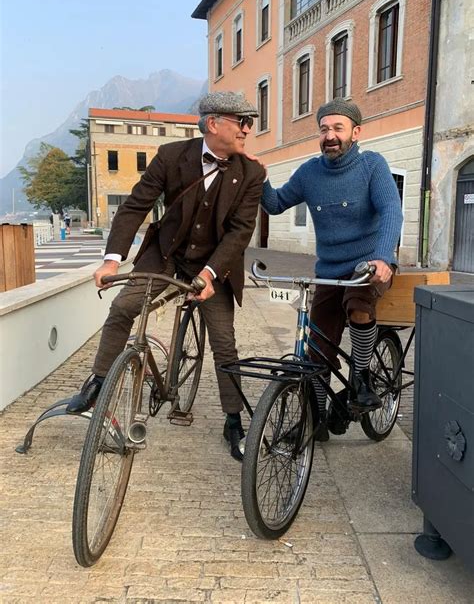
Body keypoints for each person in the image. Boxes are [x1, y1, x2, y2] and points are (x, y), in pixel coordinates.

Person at [66, 91, 266, 461]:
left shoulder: (251, 172)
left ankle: (233, 420)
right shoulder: (172, 157)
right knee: (123, 306)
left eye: (249, 123)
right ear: (213, 123)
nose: (248, 130)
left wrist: (208, 275)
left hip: (213, 264)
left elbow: (240, 232)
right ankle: (97, 383)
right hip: (167, 255)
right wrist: (112, 260)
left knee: (224, 343)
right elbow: (135, 206)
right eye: (242, 122)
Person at [260, 98, 403, 441]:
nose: (330, 135)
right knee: (316, 352)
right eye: (324, 129)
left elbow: (390, 211)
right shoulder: (310, 172)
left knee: (357, 305)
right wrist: (260, 178)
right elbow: (276, 204)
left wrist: (384, 257)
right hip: (328, 270)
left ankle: (361, 378)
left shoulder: (372, 165)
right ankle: (316, 420)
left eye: (338, 128)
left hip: (368, 265)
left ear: (355, 132)